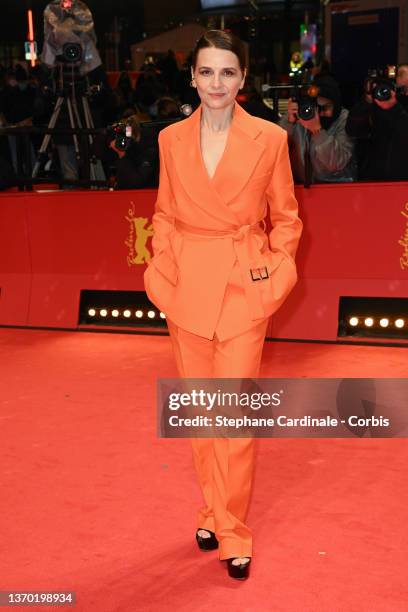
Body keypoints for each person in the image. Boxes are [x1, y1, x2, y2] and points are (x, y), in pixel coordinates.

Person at [143, 30, 303, 580]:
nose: (217, 83)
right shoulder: (169, 139)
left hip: (242, 286)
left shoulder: (271, 138)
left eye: (227, 73)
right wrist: (162, 271)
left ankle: (234, 529)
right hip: (186, 287)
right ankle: (211, 509)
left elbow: (286, 217)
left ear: (243, 79)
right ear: (192, 77)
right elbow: (163, 212)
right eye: (207, 72)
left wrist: (277, 272)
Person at [279, 76, 356, 184]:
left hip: (337, 187)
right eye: (316, 107)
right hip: (302, 188)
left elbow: (336, 163)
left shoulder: (345, 119)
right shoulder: (302, 114)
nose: (319, 114)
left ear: (336, 105)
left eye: (325, 108)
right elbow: (276, 152)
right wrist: (289, 122)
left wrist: (317, 131)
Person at [345, 64, 408, 181]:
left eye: (405, 89)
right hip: (373, 181)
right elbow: (352, 130)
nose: (404, 93)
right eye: (400, 89)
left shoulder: (398, 110)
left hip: (403, 182)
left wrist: (394, 109)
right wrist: (367, 101)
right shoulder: (375, 105)